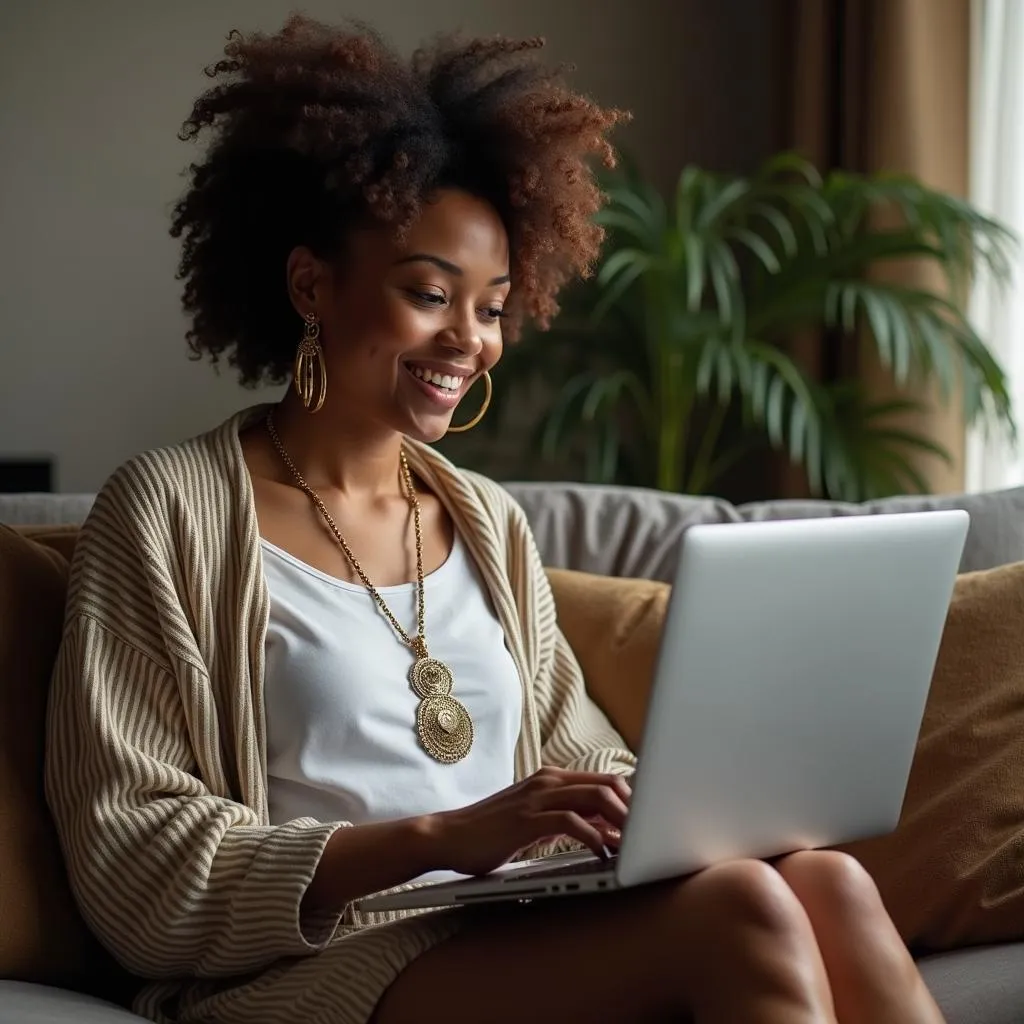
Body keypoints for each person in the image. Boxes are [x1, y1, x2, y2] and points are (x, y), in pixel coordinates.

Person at [44, 15, 946, 1024]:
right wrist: (445, 836)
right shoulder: (166, 513)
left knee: (826, 882)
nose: (467, 340)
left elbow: (583, 766)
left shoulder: (484, 521)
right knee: (740, 911)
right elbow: (133, 863)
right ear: (310, 284)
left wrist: (680, 814)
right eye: (430, 293)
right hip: (309, 972)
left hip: (498, 933)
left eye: (492, 305)